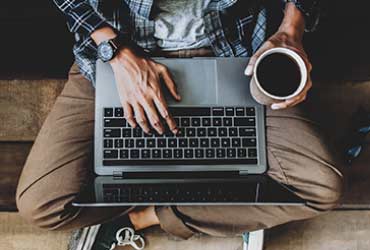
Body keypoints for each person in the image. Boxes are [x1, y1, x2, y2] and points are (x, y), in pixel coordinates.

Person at [16, 0, 344, 246]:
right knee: (41, 205)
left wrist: (292, 29)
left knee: (320, 188)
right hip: (120, 54)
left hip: (235, 55)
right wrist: (114, 50)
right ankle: (230, 208)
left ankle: (146, 215)